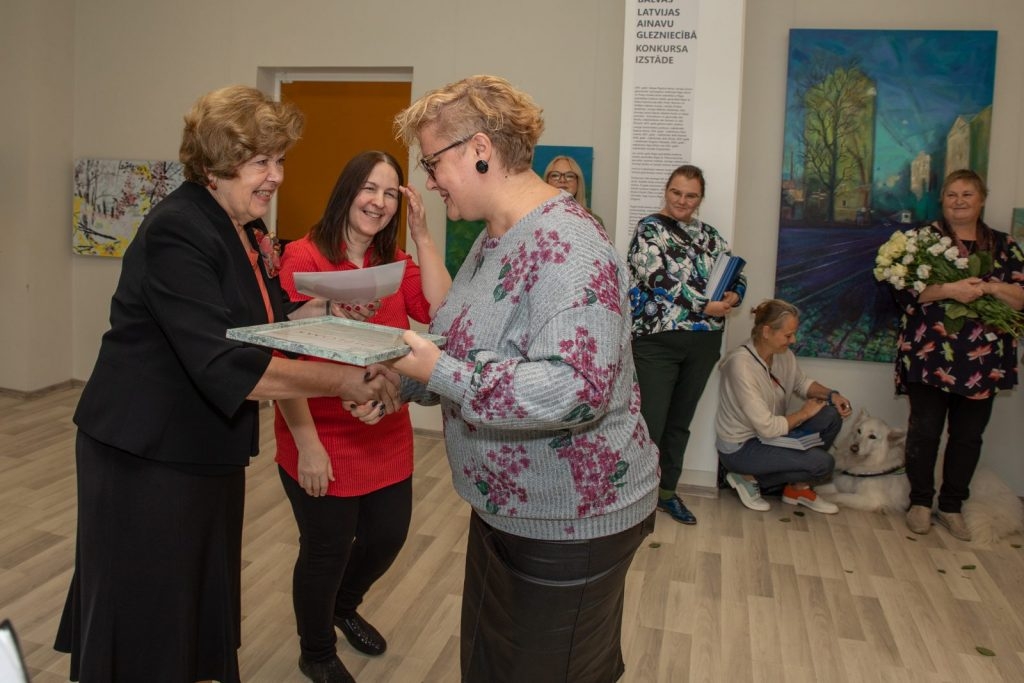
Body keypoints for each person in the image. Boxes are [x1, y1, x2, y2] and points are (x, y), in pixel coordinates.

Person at [53, 85, 400, 683]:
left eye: (279, 160)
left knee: (191, 594)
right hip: (145, 454)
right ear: (213, 165)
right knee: (149, 605)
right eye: (260, 162)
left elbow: (264, 318)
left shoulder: (240, 228)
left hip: (200, 449)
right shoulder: (178, 229)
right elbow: (225, 362)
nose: (276, 177)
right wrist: (346, 381)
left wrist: (324, 313)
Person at [391, 74, 659, 683]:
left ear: (479, 150)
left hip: (570, 520)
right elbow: (460, 345)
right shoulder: (494, 240)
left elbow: (576, 388)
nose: (430, 182)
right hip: (509, 509)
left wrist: (439, 371)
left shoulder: (570, 245)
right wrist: (402, 383)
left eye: (434, 163)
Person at [274, 150, 451, 683]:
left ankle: (343, 607)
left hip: (386, 427)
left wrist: (422, 236)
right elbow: (282, 358)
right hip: (318, 429)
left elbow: (441, 313)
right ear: (347, 191)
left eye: (389, 193)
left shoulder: (393, 261)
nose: (377, 202)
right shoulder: (303, 257)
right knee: (326, 549)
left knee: (387, 537)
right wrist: (307, 444)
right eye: (368, 189)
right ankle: (317, 650)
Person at [889, 169, 1024, 541]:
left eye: (967, 194)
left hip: (985, 362)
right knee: (925, 430)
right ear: (942, 200)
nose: (959, 201)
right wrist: (950, 290)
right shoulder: (919, 241)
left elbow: (1021, 298)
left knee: (968, 436)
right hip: (930, 354)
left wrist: (990, 288)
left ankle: (951, 506)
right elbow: (904, 294)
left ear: (981, 199)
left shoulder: (1004, 246)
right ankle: (919, 503)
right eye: (952, 195)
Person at [627, 164, 746, 525]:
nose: (682, 200)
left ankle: (666, 493)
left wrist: (734, 296)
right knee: (650, 423)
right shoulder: (649, 228)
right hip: (657, 342)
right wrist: (702, 305)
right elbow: (655, 277)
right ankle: (634, 500)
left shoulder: (711, 236)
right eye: (676, 192)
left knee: (680, 423)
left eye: (691, 195)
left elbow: (736, 275)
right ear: (667, 190)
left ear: (700, 199)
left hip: (704, 342)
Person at [715, 299, 852, 514]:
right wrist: (804, 413)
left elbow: (801, 383)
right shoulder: (740, 365)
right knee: (823, 465)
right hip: (742, 447)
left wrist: (832, 395)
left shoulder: (784, 356)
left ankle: (797, 488)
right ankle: (745, 476)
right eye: (788, 335)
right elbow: (768, 427)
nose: (793, 340)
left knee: (831, 414)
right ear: (767, 331)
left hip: (771, 435)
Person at [543, 154, 603, 225]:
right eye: (555, 175)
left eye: (569, 176)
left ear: (578, 182)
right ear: (547, 181)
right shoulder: (535, 218)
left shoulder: (595, 221)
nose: (562, 180)